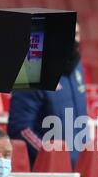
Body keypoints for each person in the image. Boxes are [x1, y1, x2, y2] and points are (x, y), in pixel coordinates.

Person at [8, 23, 88, 168]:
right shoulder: (32, 71)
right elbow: (20, 128)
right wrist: (51, 156)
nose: (74, 40)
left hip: (77, 171)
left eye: (76, 34)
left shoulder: (76, 66)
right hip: (47, 173)